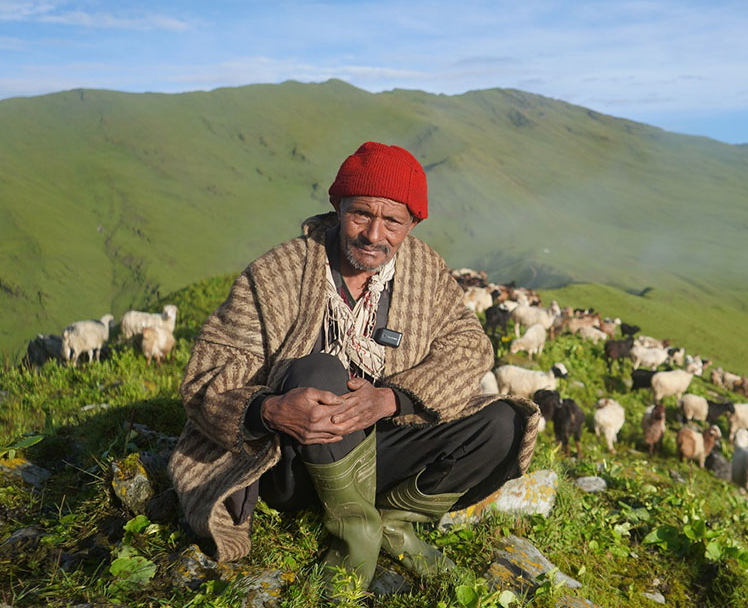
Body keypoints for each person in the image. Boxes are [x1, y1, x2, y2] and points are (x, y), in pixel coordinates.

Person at [168, 141, 538, 589]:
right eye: (361, 214)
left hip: (376, 447)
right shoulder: (279, 272)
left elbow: (470, 347)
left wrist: (392, 398)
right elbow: (206, 376)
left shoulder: (424, 272)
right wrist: (268, 410)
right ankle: (354, 538)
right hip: (294, 461)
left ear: (412, 223)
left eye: (393, 221)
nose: (374, 235)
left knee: (501, 423)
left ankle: (394, 523)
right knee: (318, 371)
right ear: (338, 207)